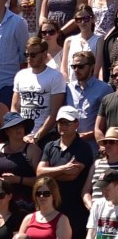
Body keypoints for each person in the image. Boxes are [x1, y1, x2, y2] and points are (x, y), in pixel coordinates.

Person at [39, 105, 93, 238]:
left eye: (67, 122)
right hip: (52, 207)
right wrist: (63, 168)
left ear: (76, 124)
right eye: (60, 122)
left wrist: (50, 174)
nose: (63, 126)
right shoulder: (50, 145)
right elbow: (39, 172)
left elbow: (72, 175)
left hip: (75, 209)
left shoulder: (83, 148)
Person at [16, 35, 68, 145]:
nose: (29, 58)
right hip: (21, 136)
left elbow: (54, 113)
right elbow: (15, 107)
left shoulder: (55, 76)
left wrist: (36, 137)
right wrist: (19, 135)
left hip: (45, 136)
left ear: (44, 54)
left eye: (33, 55)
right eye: (27, 54)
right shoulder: (20, 75)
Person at [87, 168, 118, 239]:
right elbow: (90, 234)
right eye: (101, 188)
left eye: (107, 189)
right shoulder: (98, 204)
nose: (103, 193)